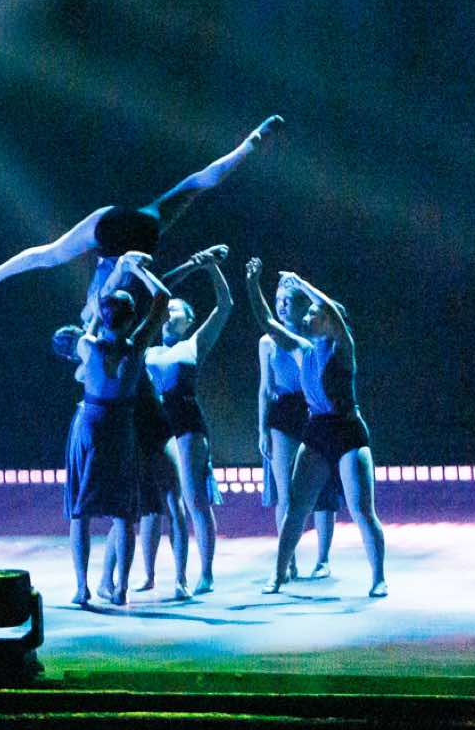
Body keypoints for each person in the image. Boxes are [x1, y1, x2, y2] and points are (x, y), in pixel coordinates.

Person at [0, 116, 283, 309]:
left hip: (139, 226)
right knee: (56, 257)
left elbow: (202, 179)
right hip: (124, 236)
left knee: (195, 185)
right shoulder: (115, 300)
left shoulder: (118, 292)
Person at [259, 272, 388, 597]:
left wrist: (300, 283)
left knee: (361, 509)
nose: (306, 317)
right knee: (296, 508)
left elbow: (327, 307)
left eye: (313, 313)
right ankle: (278, 574)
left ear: (329, 321)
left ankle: (378, 578)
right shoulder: (303, 349)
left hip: (347, 431)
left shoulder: (343, 347)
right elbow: (266, 322)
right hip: (317, 431)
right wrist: (252, 283)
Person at [64, 253, 170, 607]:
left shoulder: (88, 346)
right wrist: (139, 271)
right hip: (121, 427)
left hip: (93, 424)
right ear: (131, 318)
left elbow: (94, 313)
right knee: (123, 513)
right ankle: (121, 587)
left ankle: (82, 587)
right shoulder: (136, 347)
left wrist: (103, 301)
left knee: (81, 511)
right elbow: (163, 298)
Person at [138, 248, 232, 596]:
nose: (167, 314)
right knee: (154, 506)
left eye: (174, 310)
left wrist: (211, 268)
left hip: (186, 423)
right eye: (165, 309)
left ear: (188, 320)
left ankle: (205, 573)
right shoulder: (147, 350)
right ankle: (149, 575)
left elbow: (225, 306)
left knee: (194, 501)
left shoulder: (193, 345)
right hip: (153, 426)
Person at [248, 259, 340, 579]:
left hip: (315, 408)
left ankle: (323, 559)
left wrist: (300, 283)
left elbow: (332, 310)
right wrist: (262, 429)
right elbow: (265, 388)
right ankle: (288, 561)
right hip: (283, 412)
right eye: (278, 300)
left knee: (322, 487)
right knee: (285, 491)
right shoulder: (268, 341)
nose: (283, 305)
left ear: (302, 304)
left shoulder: (317, 337)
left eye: (289, 300)